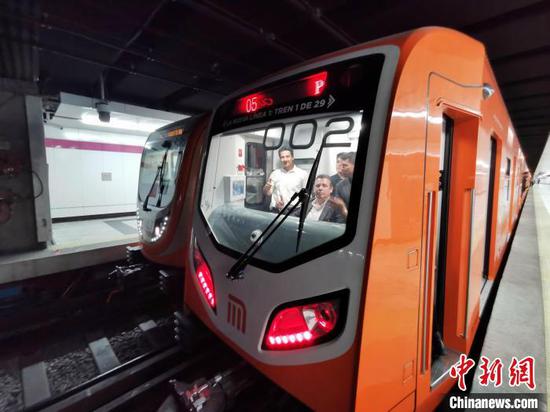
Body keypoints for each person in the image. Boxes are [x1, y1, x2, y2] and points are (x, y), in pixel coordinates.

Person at [263, 147, 307, 211]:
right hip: (276, 209)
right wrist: (266, 188)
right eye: (282, 157)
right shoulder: (275, 173)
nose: (285, 159)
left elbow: (306, 194)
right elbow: (268, 193)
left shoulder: (302, 174)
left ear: (292, 157)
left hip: (294, 211)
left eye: (287, 156)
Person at [331, 151, 355, 219]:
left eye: (345, 165)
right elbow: (339, 216)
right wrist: (342, 208)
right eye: (340, 165)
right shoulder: (340, 186)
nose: (341, 169)